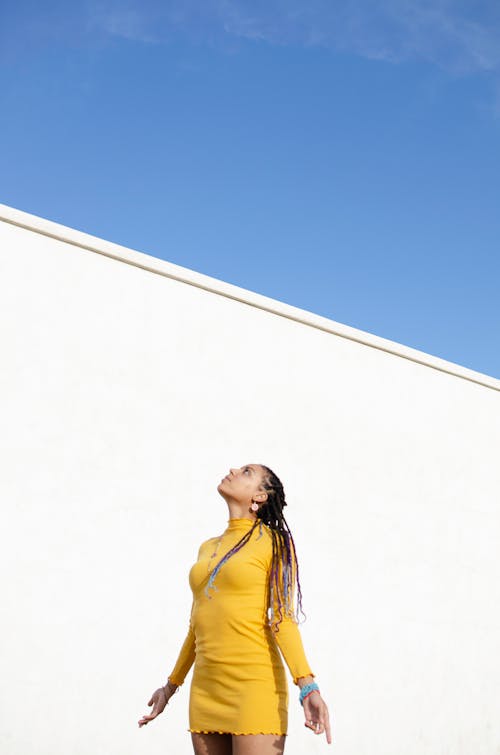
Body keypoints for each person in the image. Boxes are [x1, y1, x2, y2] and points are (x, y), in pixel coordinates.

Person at [138, 463, 332, 753]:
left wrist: (308, 687)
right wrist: (170, 686)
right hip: (207, 688)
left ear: (260, 497)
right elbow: (197, 626)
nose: (233, 470)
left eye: (246, 472)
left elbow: (282, 620)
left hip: (254, 685)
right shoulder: (207, 547)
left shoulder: (276, 543)